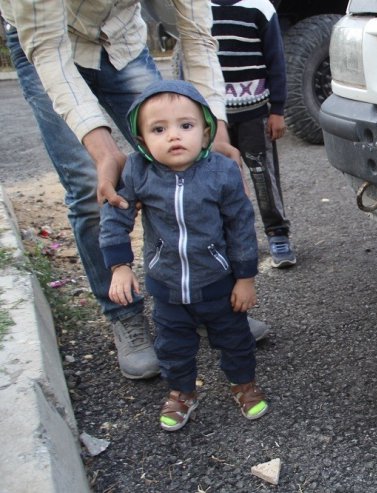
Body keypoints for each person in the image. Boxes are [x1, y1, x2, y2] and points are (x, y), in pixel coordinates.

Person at [0, 0, 268, 381]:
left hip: (121, 39)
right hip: (49, 44)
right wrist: (102, 148)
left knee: (192, 165)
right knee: (95, 187)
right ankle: (124, 313)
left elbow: (197, 35)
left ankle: (203, 300)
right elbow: (47, 48)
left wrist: (216, 129)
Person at [99, 79, 269, 431]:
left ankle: (243, 384)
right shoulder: (138, 171)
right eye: (159, 129)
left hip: (217, 282)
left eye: (186, 126)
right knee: (173, 345)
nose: (174, 136)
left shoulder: (220, 172)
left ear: (205, 134)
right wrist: (119, 266)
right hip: (167, 285)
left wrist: (245, 278)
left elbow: (240, 226)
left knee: (234, 338)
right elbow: (116, 214)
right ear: (142, 141)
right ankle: (181, 393)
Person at [211, 0, 296, 268]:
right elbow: (189, 61)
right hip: (214, 118)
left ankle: (277, 233)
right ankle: (230, 239)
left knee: (263, 176)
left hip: (254, 113)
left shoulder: (260, 8)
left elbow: (276, 61)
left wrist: (277, 110)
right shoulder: (196, 7)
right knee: (219, 178)